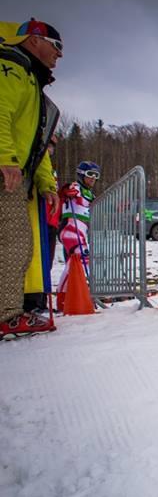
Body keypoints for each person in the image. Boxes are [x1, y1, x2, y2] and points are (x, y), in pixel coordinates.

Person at [0, 18, 62, 337]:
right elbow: (0, 110)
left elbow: (36, 141)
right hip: (5, 170)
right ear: (34, 40)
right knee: (15, 241)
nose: (59, 56)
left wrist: (45, 183)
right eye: (57, 47)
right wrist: (5, 158)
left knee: (18, 242)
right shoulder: (10, 66)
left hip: (15, 169)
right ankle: (6, 313)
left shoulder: (31, 80)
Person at [59, 161, 99, 260]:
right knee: (81, 260)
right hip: (70, 228)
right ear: (81, 174)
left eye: (96, 175)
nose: (93, 178)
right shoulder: (76, 187)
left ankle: (71, 276)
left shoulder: (91, 195)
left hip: (81, 230)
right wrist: (68, 191)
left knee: (74, 264)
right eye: (90, 174)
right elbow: (65, 191)